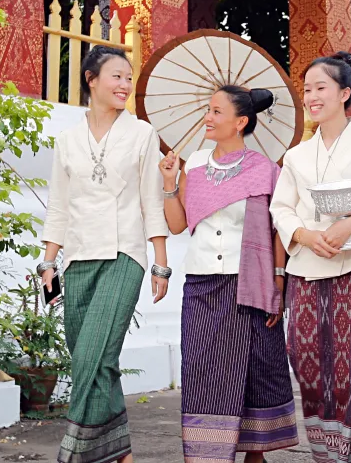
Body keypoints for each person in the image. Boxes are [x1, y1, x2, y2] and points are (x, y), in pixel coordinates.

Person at [40, 45, 172, 463]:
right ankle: (120, 454)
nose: (125, 85)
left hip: (124, 254)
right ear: (91, 79)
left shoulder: (141, 134)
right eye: (116, 76)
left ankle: (75, 452)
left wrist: (161, 262)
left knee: (93, 353)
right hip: (77, 259)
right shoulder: (67, 139)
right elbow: (58, 205)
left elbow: (152, 200)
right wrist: (48, 260)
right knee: (95, 362)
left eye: (128, 78)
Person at [269, 52, 351, 463]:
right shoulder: (296, 155)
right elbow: (281, 208)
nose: (310, 96)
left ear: (345, 93)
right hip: (307, 272)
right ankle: (325, 455)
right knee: (309, 370)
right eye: (306, 89)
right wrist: (305, 235)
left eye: (320, 88)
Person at [159, 85, 299, 463]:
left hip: (247, 283)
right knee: (204, 369)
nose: (208, 117)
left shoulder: (265, 170)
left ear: (240, 122)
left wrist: (278, 282)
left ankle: (255, 453)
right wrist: (170, 183)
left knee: (254, 366)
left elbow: (277, 232)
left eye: (217, 112)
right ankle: (207, 452)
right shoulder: (196, 165)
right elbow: (176, 225)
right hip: (202, 283)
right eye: (208, 110)